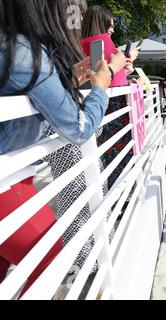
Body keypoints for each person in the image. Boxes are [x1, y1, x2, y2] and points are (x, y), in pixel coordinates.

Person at [0, 0, 119, 296]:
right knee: (51, 267)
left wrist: (67, 79)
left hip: (15, 178)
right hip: (6, 184)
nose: (74, 14)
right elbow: (79, 127)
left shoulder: (15, 48)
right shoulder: (25, 54)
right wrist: (100, 86)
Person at [82, 5, 140, 189]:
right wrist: (126, 61)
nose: (113, 30)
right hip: (114, 104)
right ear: (102, 23)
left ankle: (117, 192)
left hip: (96, 102)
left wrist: (125, 67)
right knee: (119, 152)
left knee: (106, 151)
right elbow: (110, 75)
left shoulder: (80, 43)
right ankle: (122, 193)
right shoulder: (103, 42)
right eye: (111, 25)